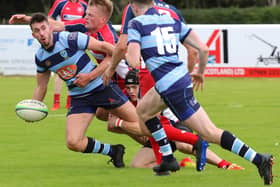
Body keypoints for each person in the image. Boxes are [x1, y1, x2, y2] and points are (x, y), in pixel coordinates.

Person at [105, 0, 274, 185]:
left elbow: (134, 60)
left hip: (170, 86)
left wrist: (129, 53)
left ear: (134, 8)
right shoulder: (171, 20)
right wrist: (200, 72)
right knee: (144, 111)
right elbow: (203, 49)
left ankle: (259, 159)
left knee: (210, 133)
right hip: (176, 80)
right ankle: (168, 158)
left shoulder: (135, 24)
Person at [25, 12, 141, 168]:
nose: (42, 33)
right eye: (37, 31)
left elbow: (105, 48)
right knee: (73, 142)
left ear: (50, 28)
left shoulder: (70, 38)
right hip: (79, 98)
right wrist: (34, 107)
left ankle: (166, 147)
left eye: (43, 28)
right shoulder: (40, 57)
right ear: (33, 35)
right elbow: (41, 86)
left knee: (140, 124)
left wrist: (123, 59)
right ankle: (114, 151)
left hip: (101, 88)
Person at [118, 69, 244, 170]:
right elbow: (111, 126)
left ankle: (225, 164)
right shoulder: (124, 96)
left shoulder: (148, 93)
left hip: (175, 124)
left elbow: (148, 128)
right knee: (137, 164)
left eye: (134, 87)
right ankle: (181, 163)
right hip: (159, 134)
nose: (131, 91)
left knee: (183, 145)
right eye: (128, 88)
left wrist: (121, 123)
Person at [48, 0, 88, 110]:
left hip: (78, 42)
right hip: (62, 42)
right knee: (60, 71)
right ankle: (56, 102)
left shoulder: (84, 5)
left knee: (77, 71)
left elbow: (87, 22)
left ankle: (70, 101)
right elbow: (50, 18)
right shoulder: (60, 3)